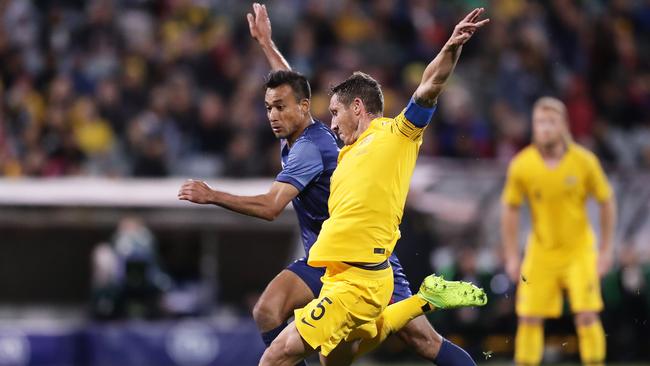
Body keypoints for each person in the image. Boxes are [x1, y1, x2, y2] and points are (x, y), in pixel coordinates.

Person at [252, 7, 489, 366]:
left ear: (357, 107)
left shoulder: (396, 135)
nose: (330, 122)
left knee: (276, 357)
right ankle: (426, 299)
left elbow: (429, 86)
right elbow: (297, 109)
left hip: (362, 276)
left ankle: (426, 300)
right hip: (337, 276)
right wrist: (268, 46)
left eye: (335, 112)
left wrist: (450, 48)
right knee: (334, 360)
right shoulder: (340, 149)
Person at [501, 97, 617, 366]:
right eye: (540, 122)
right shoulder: (522, 164)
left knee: (587, 314)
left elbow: (607, 200)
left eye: (551, 121)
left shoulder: (584, 161)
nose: (545, 128)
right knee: (528, 316)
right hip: (541, 251)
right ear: (533, 126)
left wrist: (606, 250)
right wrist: (511, 255)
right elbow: (510, 208)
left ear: (564, 125)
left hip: (579, 251)